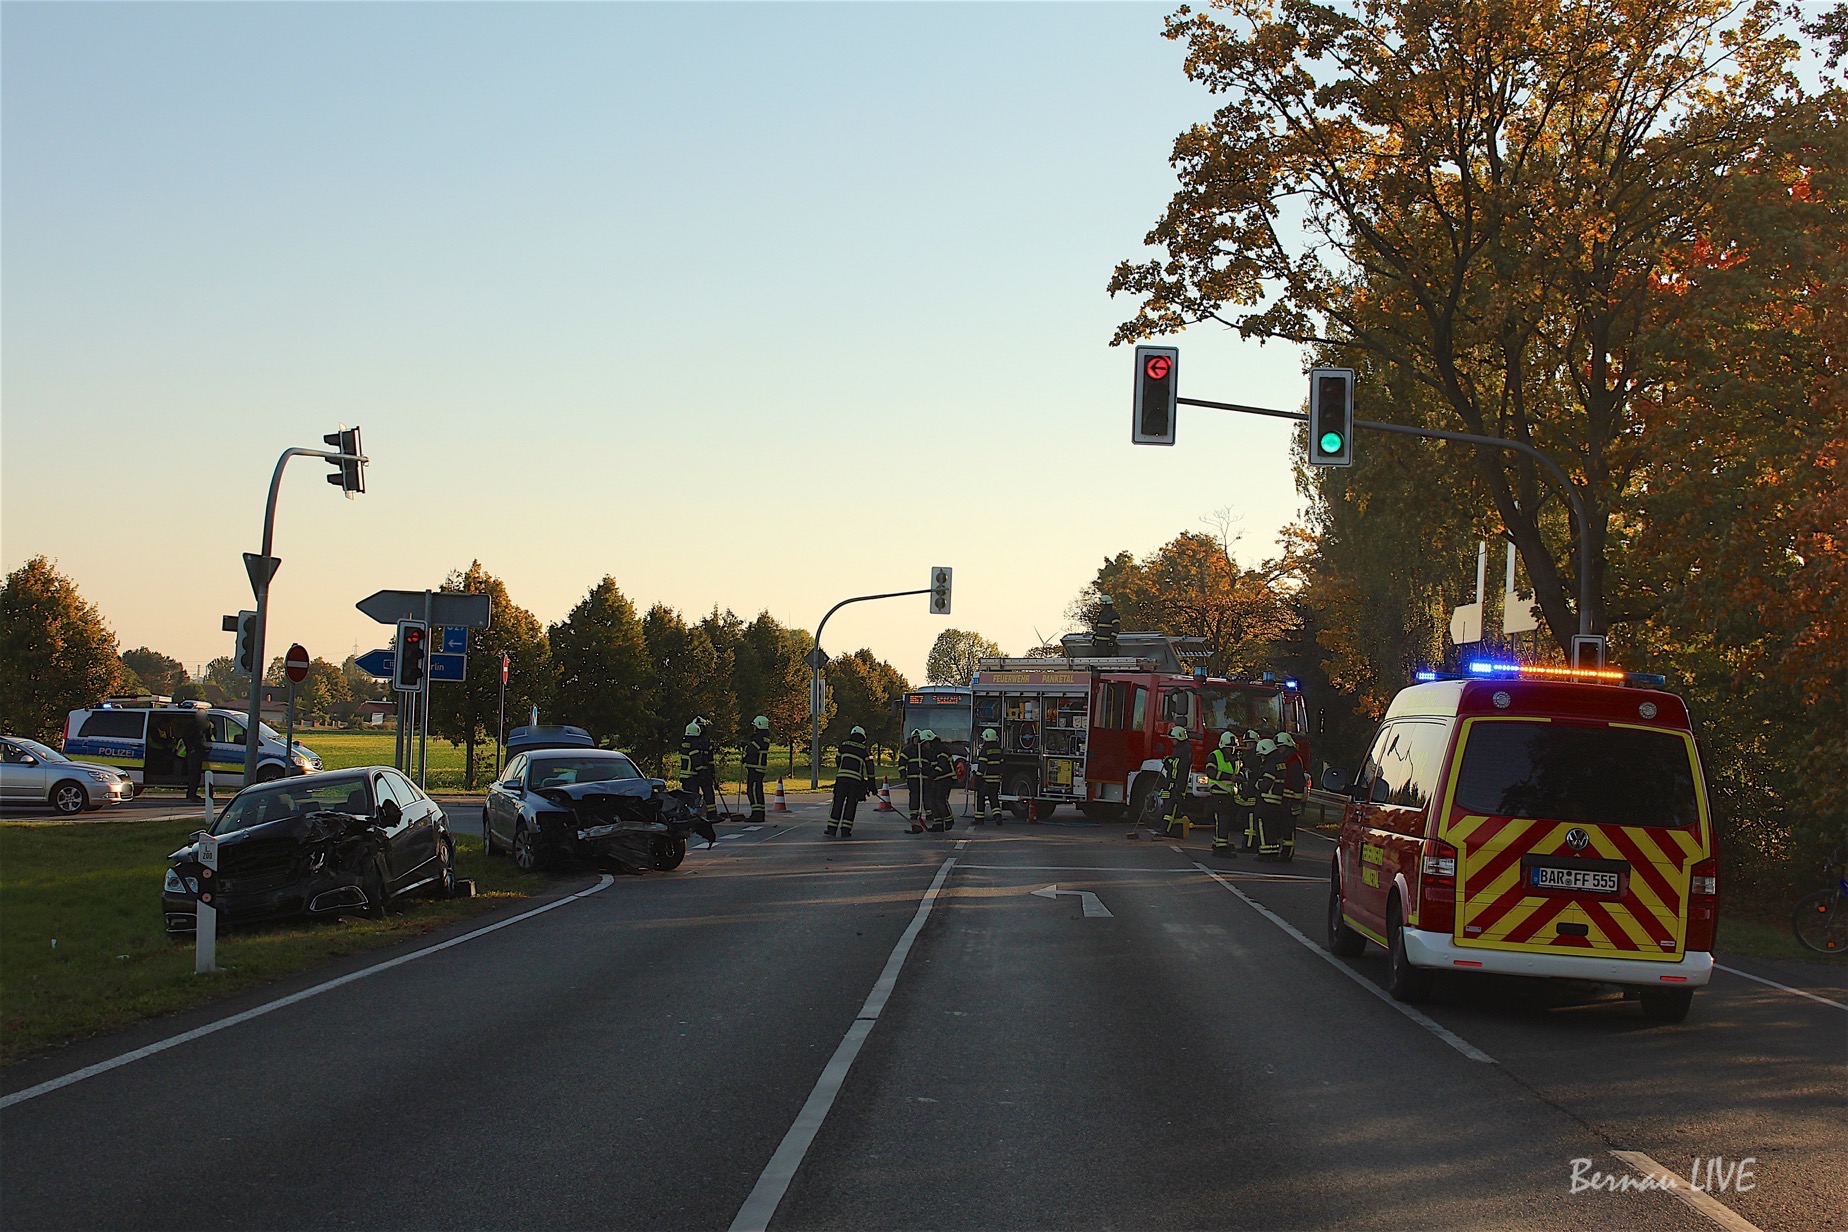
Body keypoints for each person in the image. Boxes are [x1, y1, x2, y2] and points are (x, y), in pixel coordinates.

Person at [827, 724, 870, 837]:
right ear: (862, 737)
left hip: (841, 780)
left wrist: (842, 770)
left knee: (837, 803)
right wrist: (872, 784)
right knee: (851, 805)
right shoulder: (864, 750)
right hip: (855, 782)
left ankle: (832, 829)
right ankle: (845, 830)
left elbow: (837, 760)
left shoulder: (843, 745)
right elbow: (870, 768)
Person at [1206, 731, 1241, 859]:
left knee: (1226, 821)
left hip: (1229, 794)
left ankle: (1220, 844)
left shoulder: (1236, 758)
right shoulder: (1215, 755)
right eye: (1228, 747)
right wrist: (1229, 777)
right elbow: (1210, 772)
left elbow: (1238, 771)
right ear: (1222, 746)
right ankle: (1220, 848)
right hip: (1218, 793)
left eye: (1233, 747)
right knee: (1223, 821)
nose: (1231, 750)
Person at [1272, 731, 1305, 862]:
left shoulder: (1294, 760)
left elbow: (1298, 782)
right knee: (1283, 826)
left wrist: (1295, 800)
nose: (1279, 750)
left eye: (1280, 747)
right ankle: (1283, 851)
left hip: (1291, 801)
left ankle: (1288, 853)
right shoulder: (1286, 759)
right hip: (1285, 800)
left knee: (1289, 828)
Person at [1160, 723, 1195, 838]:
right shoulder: (1181, 749)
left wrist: (1168, 762)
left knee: (1171, 807)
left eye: (1173, 739)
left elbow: (1178, 766)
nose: (1172, 741)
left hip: (1177, 784)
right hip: (1173, 782)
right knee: (1173, 807)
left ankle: (1165, 830)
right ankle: (1176, 831)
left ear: (1179, 738)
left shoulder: (1185, 750)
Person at [1235, 729, 1262, 852]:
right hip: (1247, 793)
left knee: (1251, 822)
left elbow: (1255, 776)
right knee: (1246, 821)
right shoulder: (1248, 756)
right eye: (1247, 743)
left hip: (1252, 794)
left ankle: (1250, 845)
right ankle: (1248, 844)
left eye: (1250, 743)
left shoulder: (1256, 758)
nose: (1248, 746)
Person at [927, 731, 958, 832]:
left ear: (930, 741)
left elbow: (942, 765)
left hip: (946, 778)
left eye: (925, 743)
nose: (924, 746)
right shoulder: (932, 750)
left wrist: (932, 775)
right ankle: (938, 824)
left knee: (940, 800)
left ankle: (949, 820)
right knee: (932, 800)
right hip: (937, 779)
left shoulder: (942, 749)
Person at [742, 715, 771, 823]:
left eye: (754, 726)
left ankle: (757, 815)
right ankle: (759, 813)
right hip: (757, 767)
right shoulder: (763, 737)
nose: (753, 728)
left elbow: (752, 750)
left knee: (753, 791)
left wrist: (744, 746)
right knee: (757, 790)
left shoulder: (759, 738)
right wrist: (746, 759)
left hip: (755, 768)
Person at [972, 727, 1003, 825]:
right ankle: (997, 816)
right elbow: (1002, 764)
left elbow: (982, 766)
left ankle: (979, 819)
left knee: (980, 798)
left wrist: (977, 778)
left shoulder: (985, 750)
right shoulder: (999, 749)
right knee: (994, 798)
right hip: (996, 780)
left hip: (986, 780)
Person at [902, 729, 925, 824]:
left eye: (918, 738)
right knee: (914, 795)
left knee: (926, 795)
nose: (916, 740)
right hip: (912, 777)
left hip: (924, 777)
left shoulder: (925, 750)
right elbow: (902, 762)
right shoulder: (907, 750)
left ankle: (929, 812)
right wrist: (902, 772)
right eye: (914, 738)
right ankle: (914, 813)